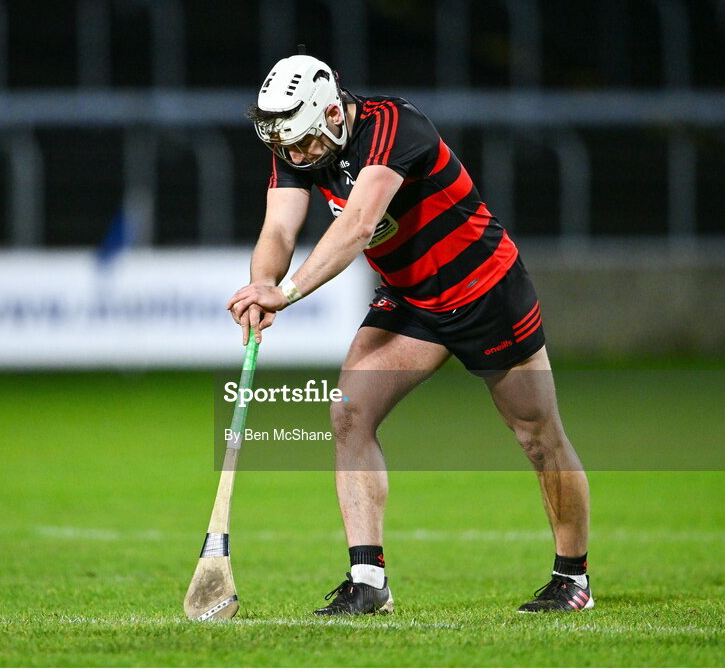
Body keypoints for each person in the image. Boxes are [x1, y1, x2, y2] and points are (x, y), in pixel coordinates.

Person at [226, 53, 592, 615]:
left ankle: (572, 579)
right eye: (285, 147)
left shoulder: (394, 126)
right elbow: (278, 226)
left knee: (538, 436)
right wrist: (261, 283)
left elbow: (358, 224)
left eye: (301, 143)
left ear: (331, 112)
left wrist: (290, 291)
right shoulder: (297, 146)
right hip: (413, 300)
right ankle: (368, 581)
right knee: (350, 410)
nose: (295, 156)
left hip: (484, 291)